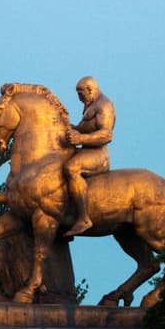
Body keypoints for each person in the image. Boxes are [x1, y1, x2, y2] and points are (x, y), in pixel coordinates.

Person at [63, 76, 116, 237]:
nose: (79, 98)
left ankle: (84, 218)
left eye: (81, 94)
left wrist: (81, 139)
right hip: (86, 151)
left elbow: (106, 135)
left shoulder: (104, 106)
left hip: (98, 155)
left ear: (90, 89)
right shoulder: (91, 105)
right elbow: (82, 128)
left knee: (71, 168)